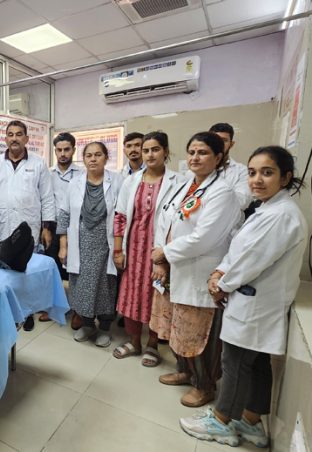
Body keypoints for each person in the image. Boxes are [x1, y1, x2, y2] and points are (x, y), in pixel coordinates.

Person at [179, 146, 307, 448]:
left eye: (267, 172)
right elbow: (240, 251)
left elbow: (251, 259)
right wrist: (221, 273)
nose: (257, 180)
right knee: (257, 363)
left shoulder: (280, 215)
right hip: (254, 300)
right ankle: (250, 421)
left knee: (235, 362)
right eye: (252, 172)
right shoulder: (270, 209)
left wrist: (222, 282)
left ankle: (222, 421)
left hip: (255, 303)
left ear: (286, 177)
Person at [151, 132, 240, 408]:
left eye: (202, 153)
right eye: (191, 152)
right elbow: (164, 219)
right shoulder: (186, 185)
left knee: (200, 333)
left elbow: (205, 238)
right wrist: (162, 260)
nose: (195, 158)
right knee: (180, 327)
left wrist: (165, 252)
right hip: (178, 268)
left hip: (201, 271)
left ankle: (205, 385)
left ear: (218, 157)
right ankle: (185, 371)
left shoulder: (222, 192)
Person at [112, 132, 184, 366]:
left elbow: (178, 221)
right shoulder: (131, 181)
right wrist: (118, 250)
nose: (150, 154)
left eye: (155, 149)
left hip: (159, 251)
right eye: (146, 150)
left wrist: (164, 256)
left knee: (156, 296)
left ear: (166, 152)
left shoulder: (179, 182)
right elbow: (120, 216)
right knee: (132, 295)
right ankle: (134, 341)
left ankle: (152, 345)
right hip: (133, 248)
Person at [0, 120, 55, 331]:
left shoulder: (38, 163)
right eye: (10, 134)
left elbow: (47, 198)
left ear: (26, 139)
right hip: (2, 227)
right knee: (5, 271)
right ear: (5, 139)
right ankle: (8, 312)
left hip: (29, 227)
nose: (14, 138)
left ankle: (28, 311)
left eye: (19, 134)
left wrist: (47, 228)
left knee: (27, 273)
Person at [58, 142, 124, 347]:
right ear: (83, 159)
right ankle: (87, 324)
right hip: (80, 244)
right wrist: (63, 245)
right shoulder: (74, 183)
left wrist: (120, 247)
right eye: (88, 155)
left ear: (106, 158)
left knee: (106, 285)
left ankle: (104, 327)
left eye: (98, 155)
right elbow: (64, 214)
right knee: (80, 285)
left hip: (106, 244)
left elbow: (122, 215)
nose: (93, 159)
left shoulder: (119, 181)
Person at [44, 132, 83, 324]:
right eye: (59, 150)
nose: (62, 154)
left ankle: (77, 309)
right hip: (52, 226)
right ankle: (52, 306)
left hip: (75, 227)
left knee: (75, 269)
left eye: (66, 149)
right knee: (52, 268)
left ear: (74, 150)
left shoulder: (82, 174)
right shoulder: (47, 173)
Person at [209, 123, 251, 211]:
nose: (218, 144)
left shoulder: (242, 171)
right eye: (214, 140)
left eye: (224, 140)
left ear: (231, 144)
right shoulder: (192, 172)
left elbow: (242, 202)